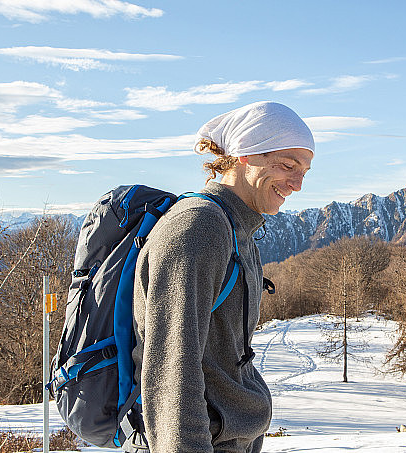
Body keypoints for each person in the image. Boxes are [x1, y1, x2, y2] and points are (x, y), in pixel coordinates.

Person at [131, 101, 314, 453]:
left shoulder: (237, 227)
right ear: (246, 154)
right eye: (288, 166)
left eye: (305, 170)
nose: (297, 184)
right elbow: (172, 369)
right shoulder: (199, 227)